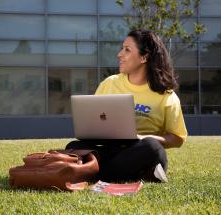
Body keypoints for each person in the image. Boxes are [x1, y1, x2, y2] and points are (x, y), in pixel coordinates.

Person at [65, 29, 188, 183]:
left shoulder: (166, 95)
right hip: (111, 150)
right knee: (74, 146)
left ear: (144, 57)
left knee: (152, 148)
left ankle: (92, 173)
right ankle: (132, 174)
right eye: (122, 48)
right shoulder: (110, 83)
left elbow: (177, 138)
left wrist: (144, 137)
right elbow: (95, 120)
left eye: (127, 50)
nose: (120, 54)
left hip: (139, 152)